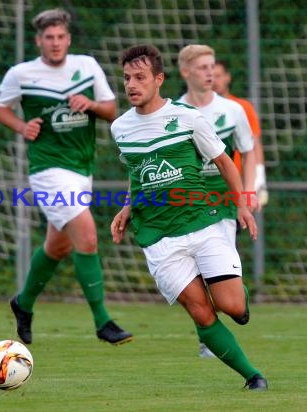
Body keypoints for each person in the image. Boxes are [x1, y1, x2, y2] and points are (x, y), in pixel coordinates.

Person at [110, 44, 268, 390]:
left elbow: (225, 161)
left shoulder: (187, 118)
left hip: (202, 221)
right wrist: (126, 206)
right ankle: (253, 376)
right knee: (200, 312)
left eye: (140, 77)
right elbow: (138, 174)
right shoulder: (120, 128)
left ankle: (233, 294)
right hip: (157, 236)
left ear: (159, 79)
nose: (131, 85)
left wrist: (241, 203)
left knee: (232, 306)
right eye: (126, 78)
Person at [0, 8, 132, 346]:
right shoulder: (22, 73)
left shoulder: (86, 66)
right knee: (87, 235)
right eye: (48, 38)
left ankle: (22, 304)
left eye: (60, 37)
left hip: (82, 168)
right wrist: (22, 126)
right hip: (48, 169)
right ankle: (102, 322)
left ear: (68, 39)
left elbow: (111, 109)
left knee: (58, 245)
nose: (55, 43)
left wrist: (91, 104)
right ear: (39, 40)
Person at [176, 45, 257, 358]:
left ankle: (239, 297)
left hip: (223, 203)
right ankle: (205, 336)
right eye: (202, 67)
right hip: (186, 205)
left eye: (212, 66)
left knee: (221, 286)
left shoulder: (232, 110)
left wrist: (246, 195)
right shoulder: (174, 112)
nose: (210, 72)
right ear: (185, 72)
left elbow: (248, 151)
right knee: (193, 275)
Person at [212, 60, 268, 207]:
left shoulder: (242, 107)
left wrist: (259, 180)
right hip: (208, 184)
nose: (215, 81)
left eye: (218, 75)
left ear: (227, 77)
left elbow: (254, 144)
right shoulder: (197, 109)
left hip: (236, 184)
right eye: (211, 76)